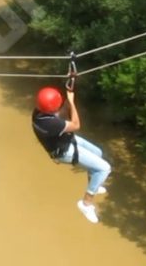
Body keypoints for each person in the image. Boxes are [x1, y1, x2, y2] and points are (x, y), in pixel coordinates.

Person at [31, 85, 111, 223]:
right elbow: (76, 125)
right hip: (64, 151)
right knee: (104, 168)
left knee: (98, 152)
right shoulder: (50, 124)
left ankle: (94, 185)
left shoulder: (38, 114)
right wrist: (72, 102)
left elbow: (60, 113)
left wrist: (69, 93)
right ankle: (86, 203)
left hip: (65, 140)